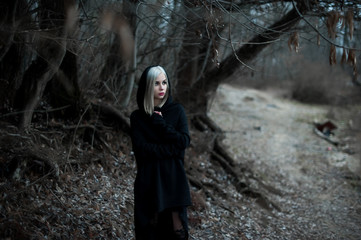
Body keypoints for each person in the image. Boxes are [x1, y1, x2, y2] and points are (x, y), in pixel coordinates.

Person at [130, 66, 192, 239]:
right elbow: (142, 149)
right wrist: (171, 150)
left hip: (174, 178)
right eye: (156, 83)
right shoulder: (138, 117)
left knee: (177, 231)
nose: (162, 87)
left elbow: (184, 142)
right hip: (149, 179)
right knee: (149, 230)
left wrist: (160, 123)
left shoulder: (177, 110)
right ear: (148, 86)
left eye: (164, 82)